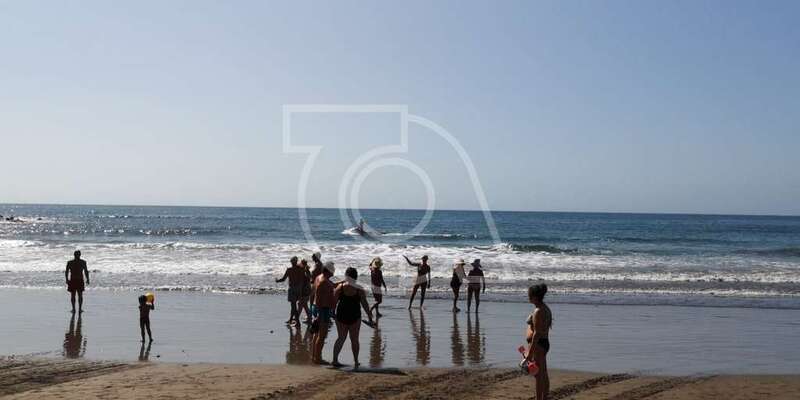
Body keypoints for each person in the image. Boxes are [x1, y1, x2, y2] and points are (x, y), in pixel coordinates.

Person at [331, 267, 374, 368]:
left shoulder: (340, 287)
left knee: (341, 338)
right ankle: (356, 361)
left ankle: (335, 360)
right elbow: (365, 304)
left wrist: (333, 314)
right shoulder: (359, 289)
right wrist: (369, 316)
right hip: (355, 316)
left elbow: (333, 303)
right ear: (356, 277)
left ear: (346, 276)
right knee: (354, 339)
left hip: (341, 316)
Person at [523, 284, 553, 400]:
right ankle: (544, 397)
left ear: (535, 297)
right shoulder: (545, 308)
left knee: (537, 375)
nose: (528, 297)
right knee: (543, 373)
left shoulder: (538, 311)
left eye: (529, 295)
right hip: (543, 343)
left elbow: (537, 333)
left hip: (538, 345)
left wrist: (530, 353)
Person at [311, 261, 335, 365]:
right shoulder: (324, 281)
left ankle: (314, 356)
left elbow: (314, 294)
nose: (333, 273)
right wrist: (320, 315)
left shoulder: (319, 277)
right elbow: (320, 297)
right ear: (329, 271)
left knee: (316, 334)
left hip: (317, 307)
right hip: (322, 309)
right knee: (322, 335)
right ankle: (318, 358)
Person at [276, 256, 306, 326]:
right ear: (296, 262)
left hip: (292, 289)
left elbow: (283, 279)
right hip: (299, 289)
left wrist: (277, 280)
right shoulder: (301, 269)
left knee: (293, 306)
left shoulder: (289, 270)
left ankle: (297, 322)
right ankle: (291, 320)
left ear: (291, 262)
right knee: (294, 306)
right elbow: (303, 279)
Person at [299, 258, 313, 323]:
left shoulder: (304, 272)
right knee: (304, 305)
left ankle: (296, 319)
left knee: (301, 305)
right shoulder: (307, 271)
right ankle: (309, 318)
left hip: (305, 291)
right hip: (307, 290)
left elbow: (303, 282)